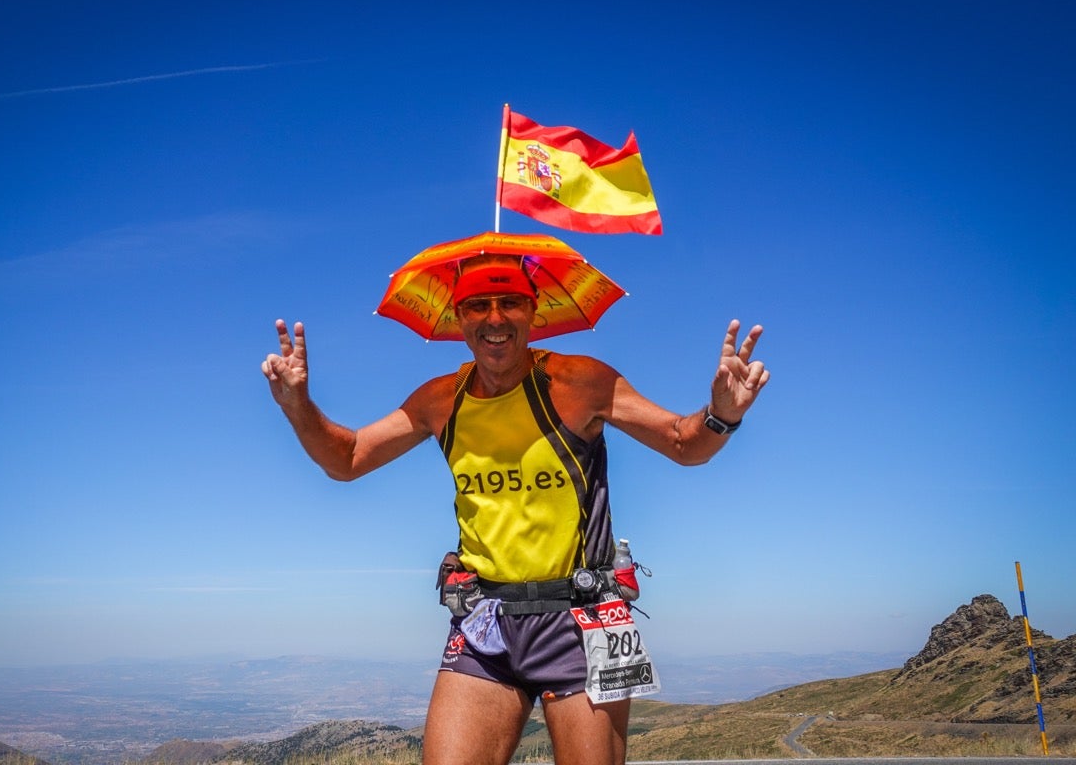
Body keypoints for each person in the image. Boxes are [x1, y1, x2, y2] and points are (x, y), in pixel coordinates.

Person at [261, 255, 770, 765]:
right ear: (459, 318)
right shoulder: (442, 400)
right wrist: (297, 405)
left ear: (534, 312)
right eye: (478, 305)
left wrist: (721, 416)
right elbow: (347, 458)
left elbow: (684, 444)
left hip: (583, 619)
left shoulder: (580, 383)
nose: (495, 318)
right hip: (484, 621)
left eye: (510, 303)